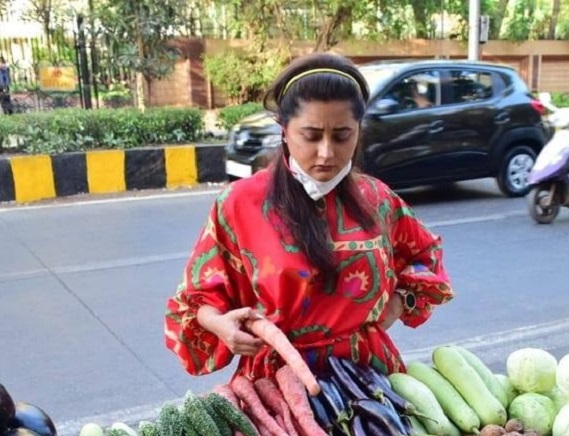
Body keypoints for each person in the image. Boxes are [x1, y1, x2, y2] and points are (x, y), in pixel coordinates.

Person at [165, 53, 453, 383]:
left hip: (370, 378)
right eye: (311, 135)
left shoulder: (379, 200)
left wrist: (402, 301)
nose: (327, 152)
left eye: (342, 135)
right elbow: (197, 299)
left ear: (359, 130)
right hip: (277, 384)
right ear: (284, 130)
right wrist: (220, 324)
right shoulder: (239, 204)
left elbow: (425, 257)